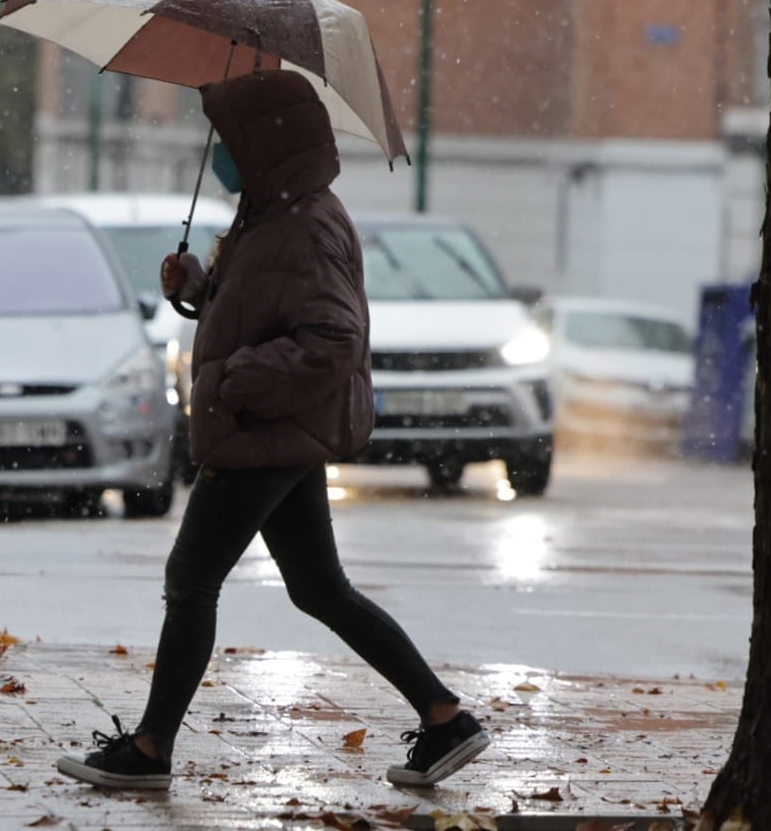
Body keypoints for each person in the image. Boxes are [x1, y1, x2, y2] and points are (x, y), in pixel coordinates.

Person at [56, 69, 489, 791]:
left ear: (265, 142)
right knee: (318, 586)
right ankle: (445, 717)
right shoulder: (270, 212)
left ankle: (151, 747)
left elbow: (331, 337)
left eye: (227, 139)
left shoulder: (303, 221)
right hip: (275, 428)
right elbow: (267, 308)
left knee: (190, 578)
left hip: (264, 428)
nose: (219, 151)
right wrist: (198, 288)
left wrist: (230, 385)